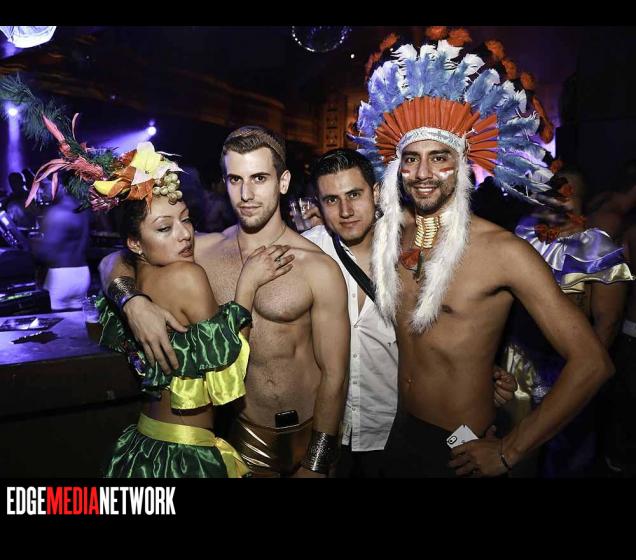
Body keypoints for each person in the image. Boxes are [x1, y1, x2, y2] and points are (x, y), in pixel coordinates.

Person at [351, 39, 614, 477]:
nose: (423, 174)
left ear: (464, 164)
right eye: (411, 159)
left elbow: (592, 363)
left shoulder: (504, 252)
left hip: (463, 449)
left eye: (439, 158)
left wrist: (510, 450)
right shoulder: (389, 238)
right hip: (398, 432)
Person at [99, 126, 350, 477]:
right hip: (243, 439)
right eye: (235, 179)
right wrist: (131, 302)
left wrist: (317, 464)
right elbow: (114, 260)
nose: (246, 194)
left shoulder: (318, 268)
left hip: (311, 436)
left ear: (283, 182)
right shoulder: (200, 251)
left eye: (259, 178)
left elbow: (336, 376)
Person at [303, 147, 518, 477]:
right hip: (329, 428)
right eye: (331, 200)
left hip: (394, 430)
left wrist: (477, 378)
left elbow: (455, 326)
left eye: (354, 194)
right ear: (318, 204)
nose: (345, 211)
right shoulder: (307, 252)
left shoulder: (413, 248)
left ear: (376, 192)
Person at [500, 165, 632, 476]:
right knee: (512, 443)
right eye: (552, 192)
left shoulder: (599, 248)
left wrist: (581, 379)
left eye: (568, 194)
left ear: (582, 202)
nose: (558, 199)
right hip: (518, 360)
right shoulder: (524, 233)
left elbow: (608, 322)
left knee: (564, 453)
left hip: (566, 365)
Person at [30, 184, 91, 311]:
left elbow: (46, 252)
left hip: (61, 276)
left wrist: (32, 245)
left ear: (62, 188)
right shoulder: (82, 210)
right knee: (78, 321)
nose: (45, 192)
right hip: (82, 273)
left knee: (58, 322)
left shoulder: (57, 213)